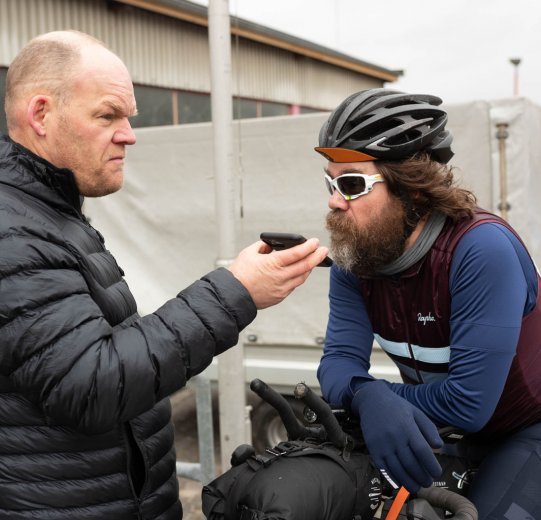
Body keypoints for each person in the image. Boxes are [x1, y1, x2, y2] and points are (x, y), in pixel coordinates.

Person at [0, 30, 329, 520]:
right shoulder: (14, 230)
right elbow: (90, 383)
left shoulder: (49, 214)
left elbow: (101, 347)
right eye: (108, 115)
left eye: (129, 117)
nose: (130, 133)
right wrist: (236, 291)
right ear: (41, 114)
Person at [315, 88, 541, 519]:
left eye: (351, 184)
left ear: (411, 190)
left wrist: (380, 396)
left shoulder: (480, 250)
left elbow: (469, 403)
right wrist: (366, 396)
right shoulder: (355, 259)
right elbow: (338, 363)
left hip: (527, 428)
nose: (333, 200)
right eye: (329, 181)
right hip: (445, 430)